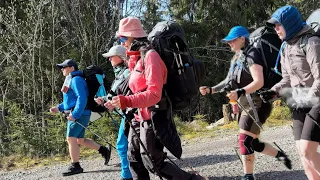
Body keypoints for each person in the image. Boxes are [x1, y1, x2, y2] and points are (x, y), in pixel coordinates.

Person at [110, 16, 207, 180]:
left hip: (155, 115)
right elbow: (133, 87)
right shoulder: (135, 59)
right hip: (139, 116)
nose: (120, 42)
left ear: (134, 36)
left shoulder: (150, 57)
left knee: (154, 162)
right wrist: (115, 100)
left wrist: (127, 101)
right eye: (119, 38)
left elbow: (154, 94)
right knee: (134, 159)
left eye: (122, 38)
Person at [199, 26, 291, 180]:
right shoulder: (237, 57)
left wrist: (240, 92)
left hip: (258, 103)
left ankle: (248, 176)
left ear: (243, 39)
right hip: (245, 104)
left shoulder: (253, 55)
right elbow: (229, 82)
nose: (229, 43)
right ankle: (281, 155)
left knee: (244, 141)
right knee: (253, 143)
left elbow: (259, 82)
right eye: (228, 41)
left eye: (232, 40)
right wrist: (211, 90)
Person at [261, 5, 320, 180]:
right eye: (274, 26)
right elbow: (286, 79)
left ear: (290, 23)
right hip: (298, 104)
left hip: (315, 102)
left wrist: (308, 99)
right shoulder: (285, 47)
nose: (276, 29)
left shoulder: (311, 43)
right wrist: (272, 92)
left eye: (278, 25)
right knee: (303, 156)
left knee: (307, 150)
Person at [50, 59, 111, 176]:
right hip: (82, 112)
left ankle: (75, 166)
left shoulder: (76, 80)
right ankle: (103, 150)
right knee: (79, 140)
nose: (62, 69)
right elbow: (71, 100)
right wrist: (58, 108)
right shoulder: (71, 80)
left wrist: (75, 114)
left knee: (71, 138)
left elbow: (81, 98)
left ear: (72, 68)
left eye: (64, 67)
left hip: (79, 113)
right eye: (61, 67)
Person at [96, 45, 133, 180]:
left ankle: (127, 176)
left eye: (112, 56)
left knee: (122, 146)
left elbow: (129, 94)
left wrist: (113, 102)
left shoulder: (127, 73)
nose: (110, 59)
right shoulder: (120, 73)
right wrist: (104, 99)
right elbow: (116, 93)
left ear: (122, 57)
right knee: (127, 146)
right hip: (126, 114)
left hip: (131, 114)